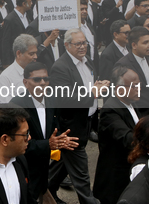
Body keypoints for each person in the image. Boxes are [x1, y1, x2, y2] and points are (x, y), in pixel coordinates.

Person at [48, 28, 110, 204]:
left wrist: (98, 85)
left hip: (86, 121)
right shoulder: (60, 67)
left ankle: (44, 192)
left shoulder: (88, 61)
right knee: (81, 174)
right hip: (70, 126)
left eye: (84, 43)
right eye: (78, 44)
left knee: (60, 165)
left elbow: (89, 86)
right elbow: (65, 98)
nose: (82, 47)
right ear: (67, 45)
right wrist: (93, 93)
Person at [10, 62, 79, 202]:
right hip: (23, 169)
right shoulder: (17, 105)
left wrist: (60, 138)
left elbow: (54, 128)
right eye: (37, 79)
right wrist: (49, 144)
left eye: (46, 79)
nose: (42, 83)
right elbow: (17, 144)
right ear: (25, 82)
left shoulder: (51, 100)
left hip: (42, 169)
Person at [93, 66, 141, 204]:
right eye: (134, 86)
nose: (138, 89)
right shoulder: (110, 110)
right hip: (115, 180)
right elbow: (127, 138)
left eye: (139, 85)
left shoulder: (131, 103)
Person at [0, 34, 38, 103]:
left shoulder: (37, 72)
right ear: (18, 54)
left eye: (36, 53)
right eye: (31, 54)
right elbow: (7, 108)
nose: (35, 57)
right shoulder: (6, 78)